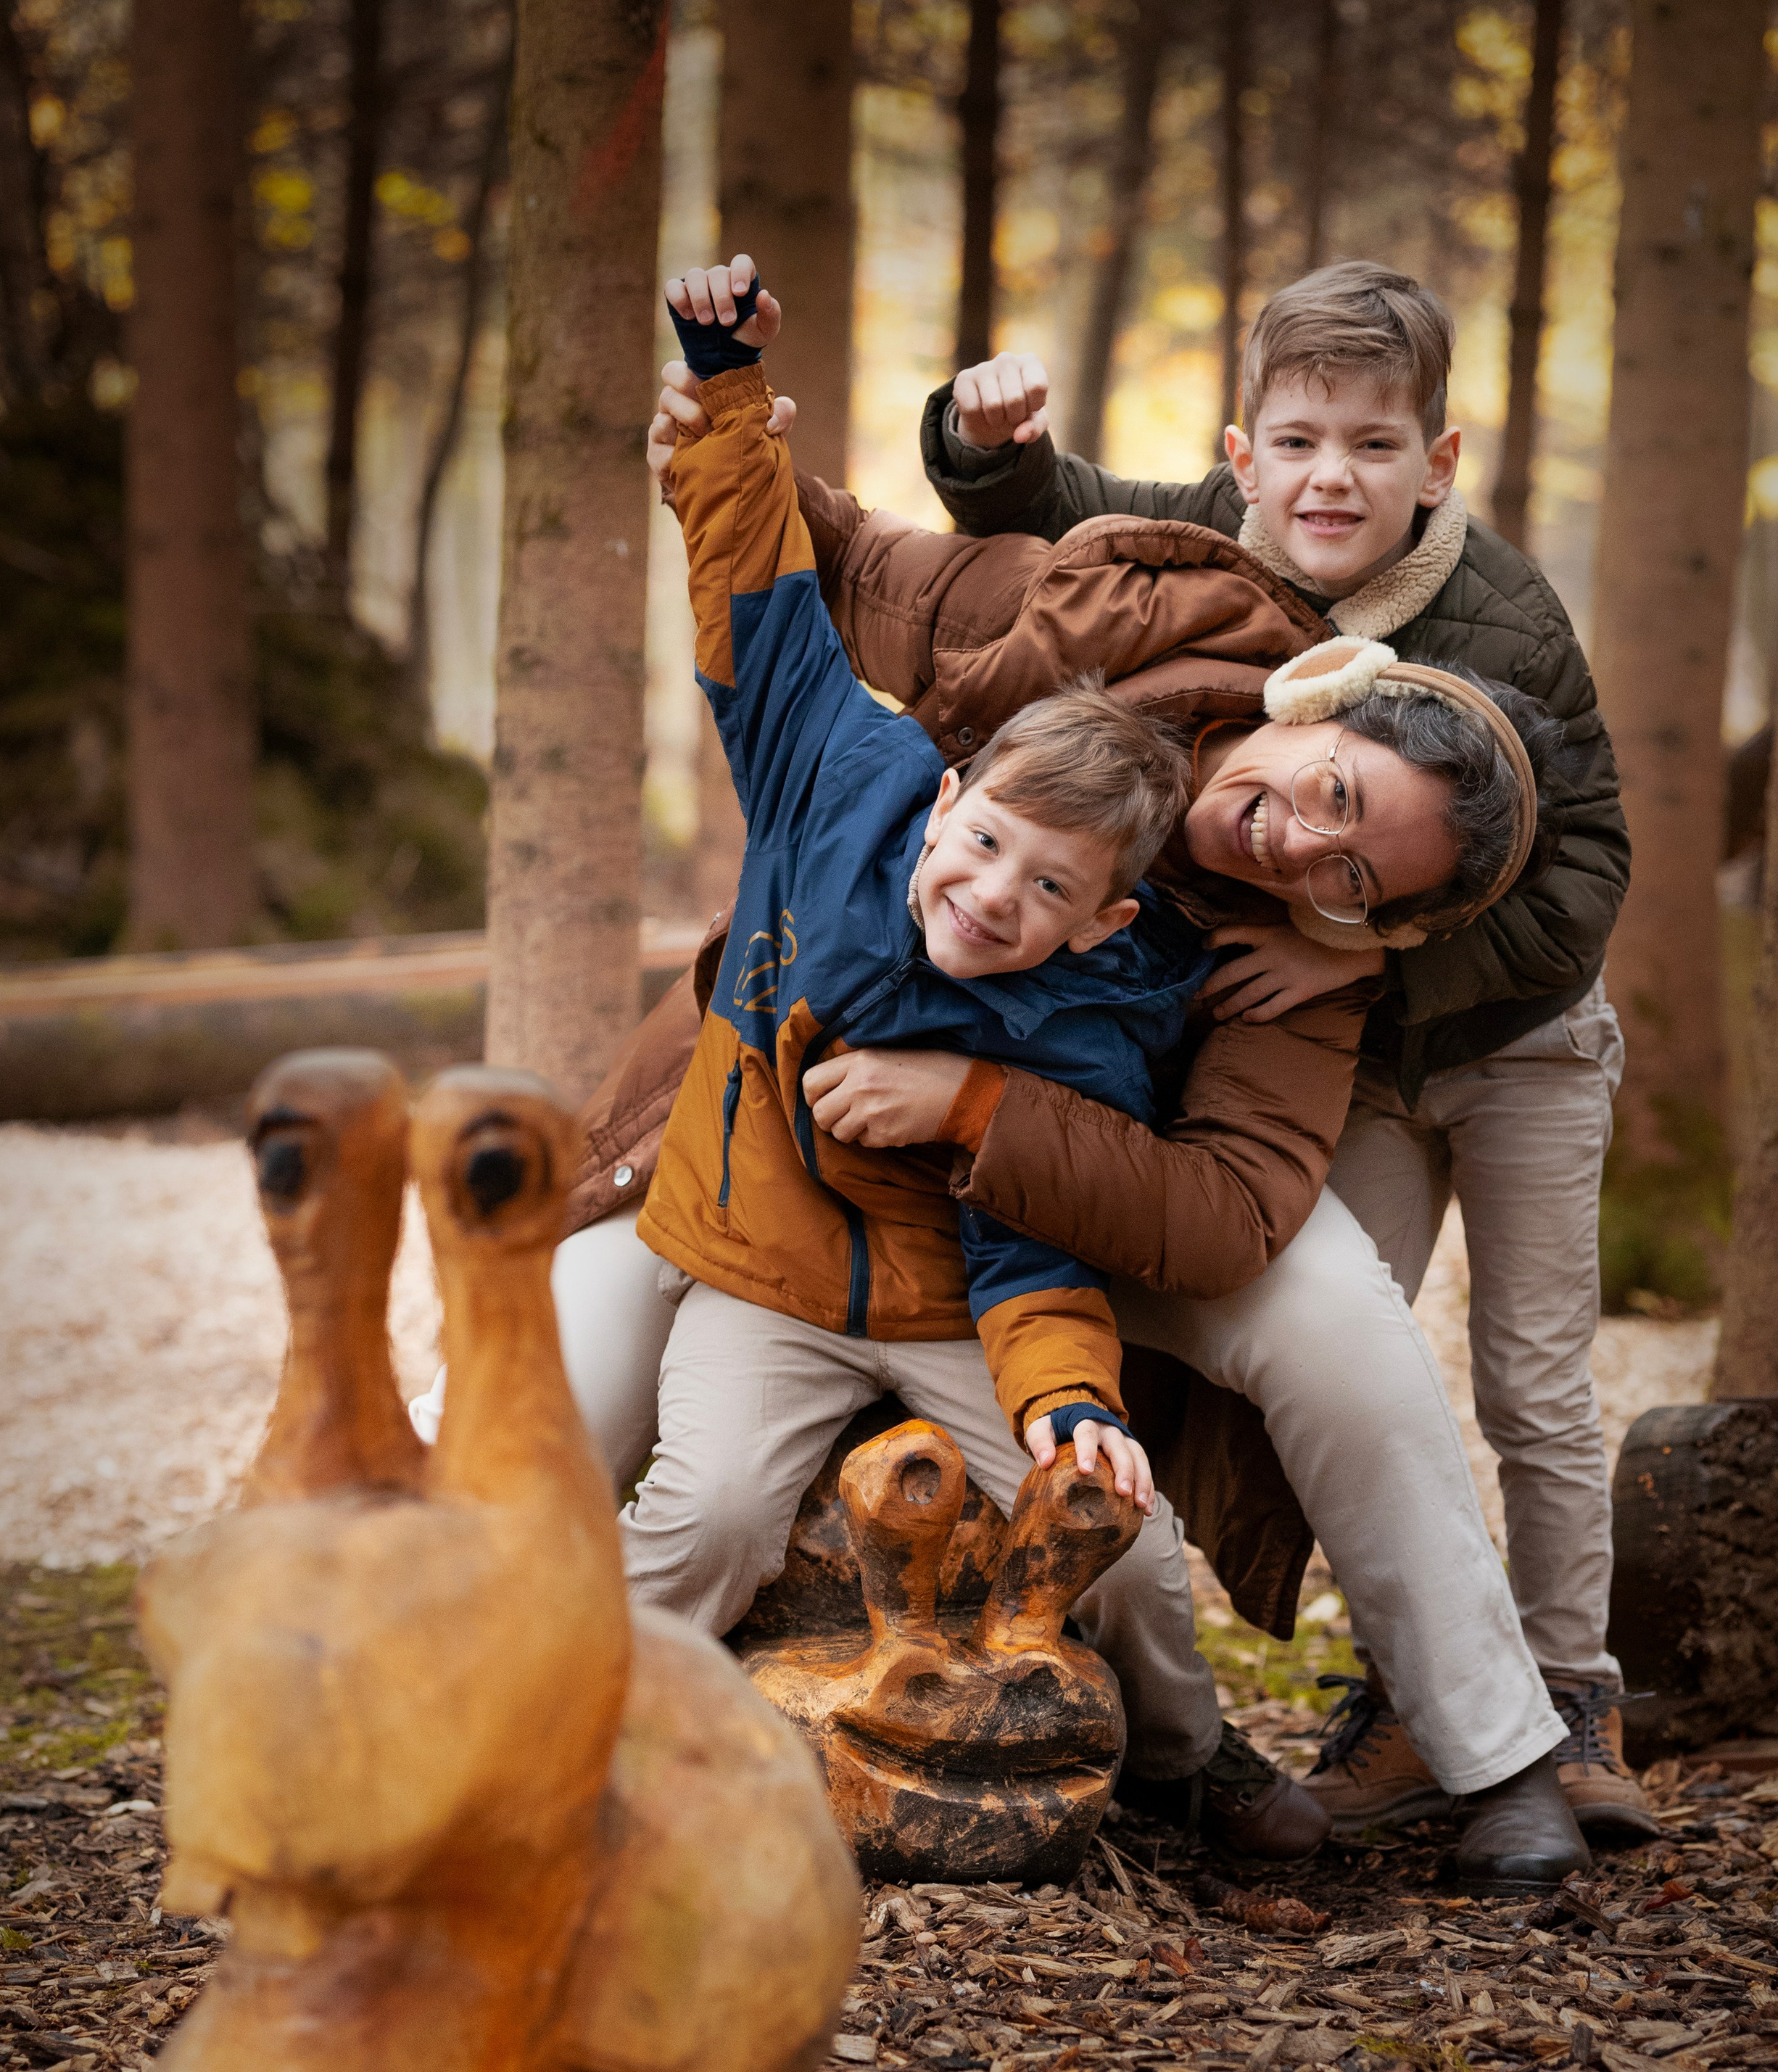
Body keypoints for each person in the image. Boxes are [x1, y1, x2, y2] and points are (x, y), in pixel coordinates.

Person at [550, 257, 1599, 1892]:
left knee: (1332, 1324)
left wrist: (972, 1112)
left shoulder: (1289, 963)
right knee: (583, 1351)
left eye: (1352, 872)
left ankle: (1493, 1744)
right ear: (1309, 707)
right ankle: (446, 1687)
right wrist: (718, 418)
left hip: (1058, 1208)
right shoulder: (1113, 631)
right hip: (771, 1132)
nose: (1297, 840)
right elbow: (844, 577)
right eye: (1321, 786)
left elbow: (1230, 1208)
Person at [924, 260, 1653, 1844]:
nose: (1334, 478)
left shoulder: (1498, 613)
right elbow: (1055, 508)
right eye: (1300, 440)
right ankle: (1395, 1700)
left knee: (1532, 1374)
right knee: (1346, 1343)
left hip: (1514, 1035)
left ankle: (1572, 1691)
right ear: (1243, 452)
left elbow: (1581, 862)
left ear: (1436, 463)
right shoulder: (1211, 535)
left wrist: (1350, 939)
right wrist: (981, 450)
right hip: (1352, 1063)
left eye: (1376, 446)